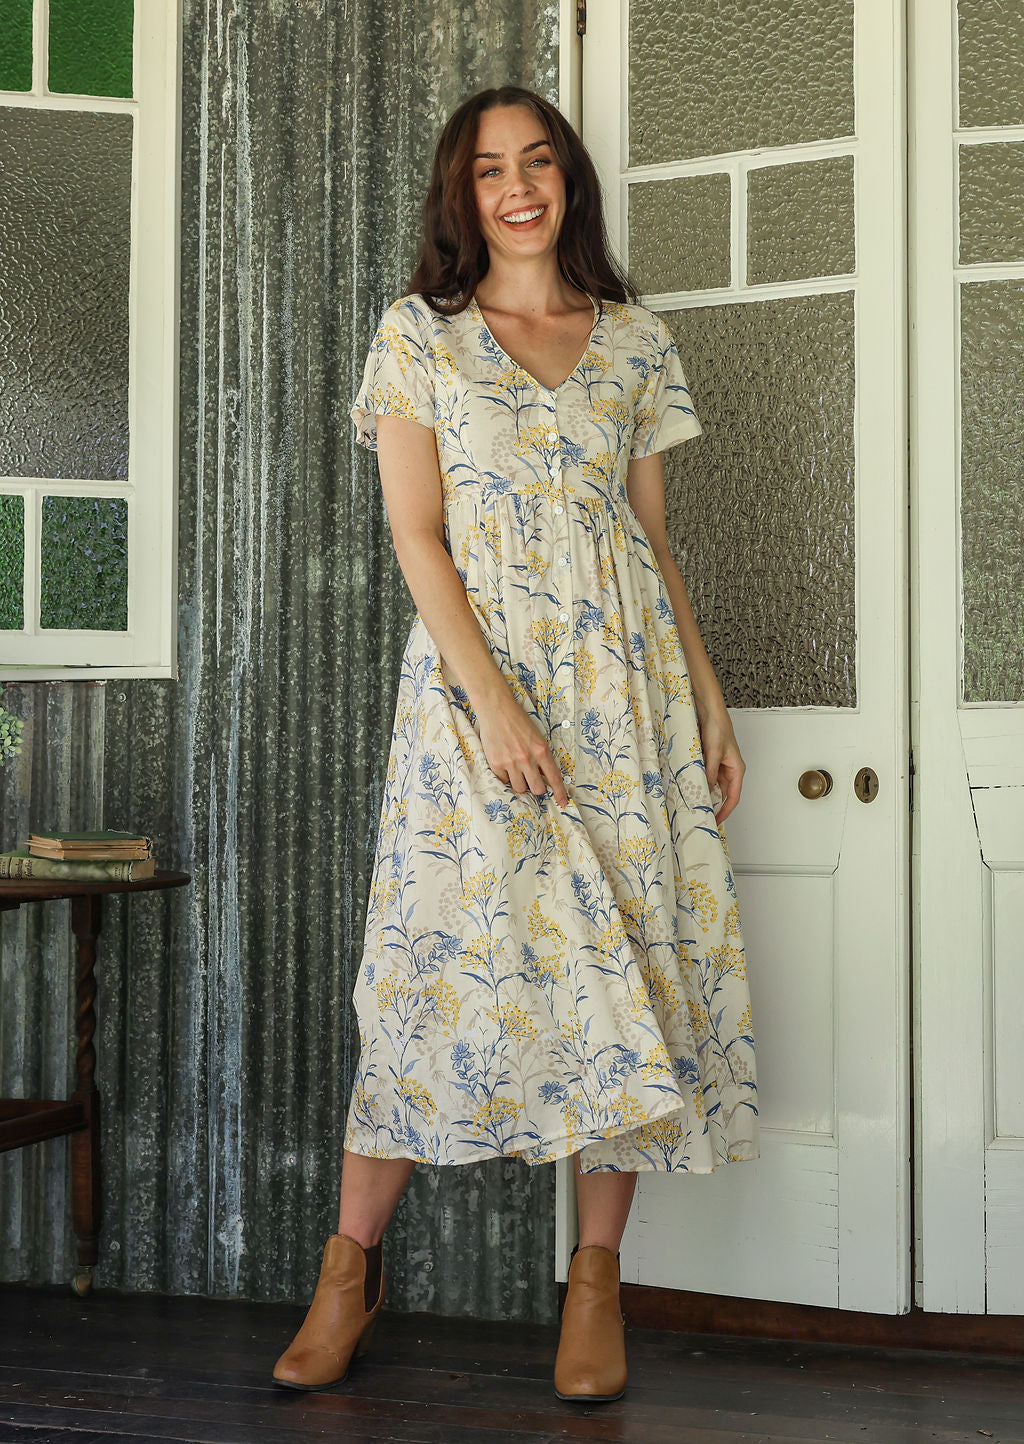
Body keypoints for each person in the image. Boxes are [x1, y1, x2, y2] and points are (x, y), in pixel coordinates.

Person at [273, 83, 759, 1404]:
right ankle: (348, 1274)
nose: (518, 185)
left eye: (537, 161)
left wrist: (706, 700)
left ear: (568, 181)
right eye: (490, 169)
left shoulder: (635, 341)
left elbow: (652, 545)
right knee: (433, 978)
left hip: (625, 696)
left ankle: (593, 1287)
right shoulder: (418, 339)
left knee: (630, 975)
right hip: (473, 708)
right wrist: (491, 703)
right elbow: (417, 537)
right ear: (463, 195)